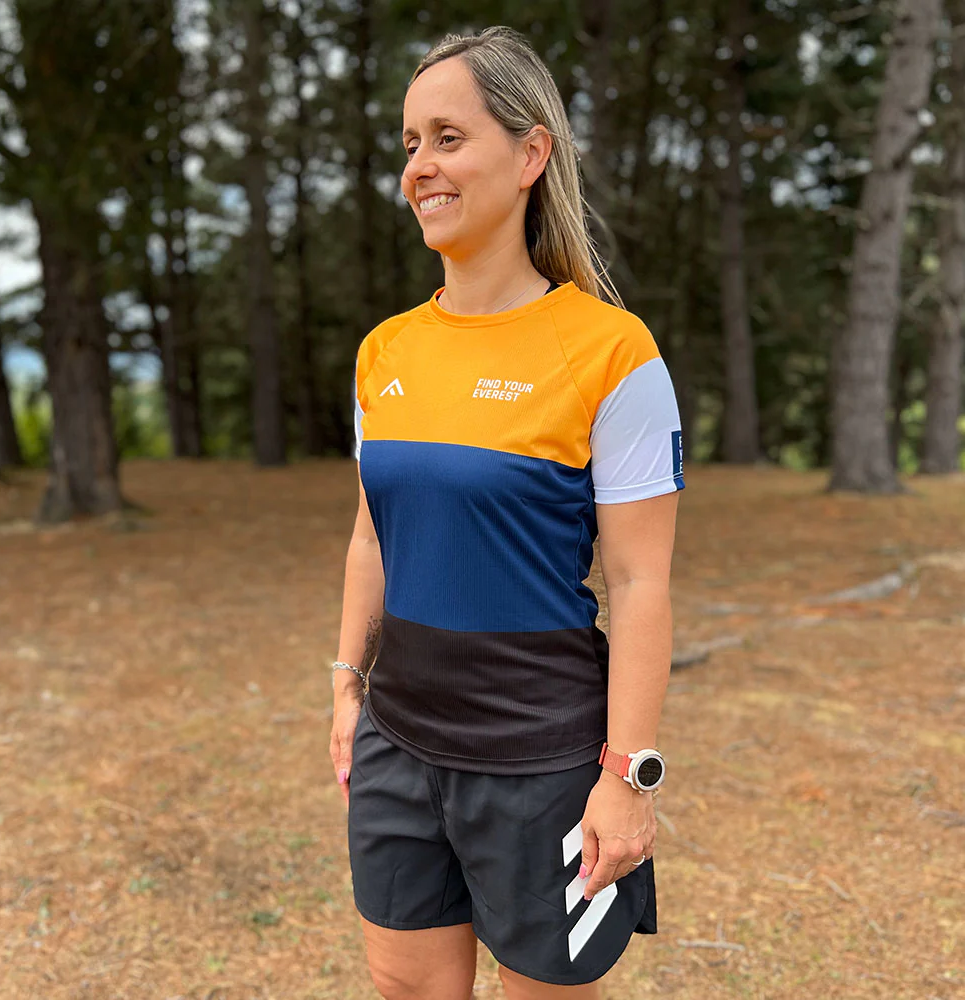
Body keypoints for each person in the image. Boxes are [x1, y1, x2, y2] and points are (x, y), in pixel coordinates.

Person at [330, 25, 684, 1000]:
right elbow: (371, 535)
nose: (420, 165)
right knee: (403, 985)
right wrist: (346, 687)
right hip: (397, 741)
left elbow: (640, 582)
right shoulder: (385, 352)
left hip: (542, 759)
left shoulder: (612, 352)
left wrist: (626, 774)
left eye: (448, 137)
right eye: (410, 143)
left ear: (531, 155)